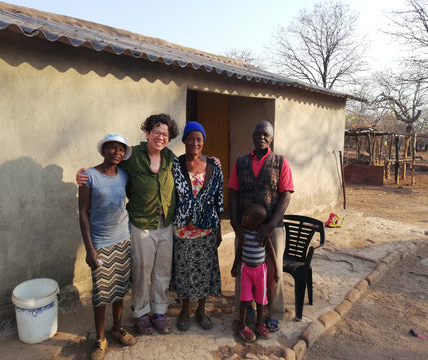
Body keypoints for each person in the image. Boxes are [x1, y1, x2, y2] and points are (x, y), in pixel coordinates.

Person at [78, 114, 179, 335]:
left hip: (166, 224)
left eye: (165, 134)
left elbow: (190, 171)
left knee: (162, 271)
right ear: (147, 133)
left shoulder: (170, 158)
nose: (160, 137)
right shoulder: (132, 156)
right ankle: (141, 313)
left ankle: (159, 312)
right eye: (156, 132)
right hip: (141, 223)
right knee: (142, 270)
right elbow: (108, 165)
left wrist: (213, 161)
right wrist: (84, 175)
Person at [228, 121, 294, 332]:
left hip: (272, 228)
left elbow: (285, 195)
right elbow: (233, 192)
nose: (261, 137)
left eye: (266, 134)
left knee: (273, 270)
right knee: (244, 267)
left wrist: (271, 225)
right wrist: (235, 223)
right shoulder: (240, 162)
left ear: (272, 138)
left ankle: (273, 313)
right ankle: (245, 310)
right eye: (258, 134)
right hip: (245, 228)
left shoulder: (280, 162)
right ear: (252, 136)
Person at [78, 133, 136, 360]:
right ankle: (100, 338)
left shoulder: (123, 175)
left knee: (120, 290)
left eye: (121, 149)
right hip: (100, 244)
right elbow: (83, 213)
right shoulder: (89, 176)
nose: (117, 153)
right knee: (101, 295)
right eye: (112, 148)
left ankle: (117, 328)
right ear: (103, 151)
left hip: (123, 239)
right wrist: (89, 249)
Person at [170, 121, 224, 332]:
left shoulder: (213, 167)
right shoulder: (174, 165)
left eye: (199, 139)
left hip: (207, 228)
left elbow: (219, 201)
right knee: (184, 269)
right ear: (184, 141)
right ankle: (185, 309)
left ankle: (202, 309)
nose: (195, 142)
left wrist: (219, 229)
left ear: (204, 141)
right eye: (190, 138)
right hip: (182, 228)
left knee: (204, 269)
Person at [231, 204, 279, 342]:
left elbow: (271, 252)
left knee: (261, 300)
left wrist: (275, 270)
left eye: (246, 217)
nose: (243, 218)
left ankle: (259, 324)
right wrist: (235, 266)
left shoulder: (263, 235)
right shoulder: (243, 233)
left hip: (261, 272)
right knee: (245, 300)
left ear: (256, 222)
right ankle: (242, 326)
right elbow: (239, 251)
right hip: (246, 271)